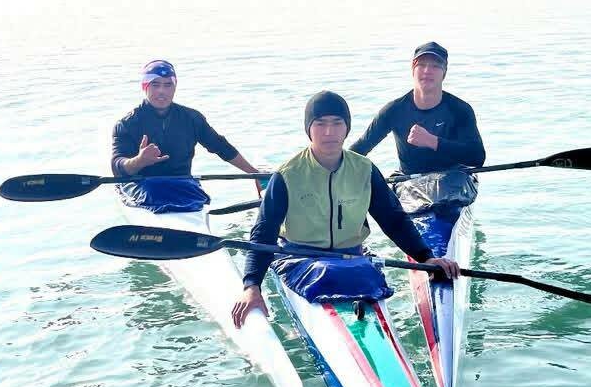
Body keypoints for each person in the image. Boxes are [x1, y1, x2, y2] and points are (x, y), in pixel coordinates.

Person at [231, 91, 460, 328]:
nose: (329, 132)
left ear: (347, 128)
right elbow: (264, 233)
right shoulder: (287, 175)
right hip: (300, 258)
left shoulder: (365, 169)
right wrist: (252, 286)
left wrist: (426, 257)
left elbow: (393, 219)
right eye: (320, 124)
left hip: (352, 256)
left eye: (337, 123)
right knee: (329, 272)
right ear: (309, 129)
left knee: (365, 273)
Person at [349, 42, 486, 175]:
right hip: (409, 180)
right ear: (413, 69)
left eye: (435, 66)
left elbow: (477, 158)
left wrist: (432, 141)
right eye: (421, 65)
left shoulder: (460, 110)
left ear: (444, 73)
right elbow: (360, 148)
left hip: (455, 176)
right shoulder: (394, 110)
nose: (427, 71)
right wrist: (338, 162)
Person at [111, 59, 261, 179]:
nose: (162, 91)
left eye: (168, 85)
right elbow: (117, 168)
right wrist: (139, 161)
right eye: (155, 85)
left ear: (175, 87)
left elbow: (221, 147)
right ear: (145, 87)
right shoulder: (127, 124)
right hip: (140, 187)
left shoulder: (192, 118)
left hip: (183, 186)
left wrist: (254, 174)